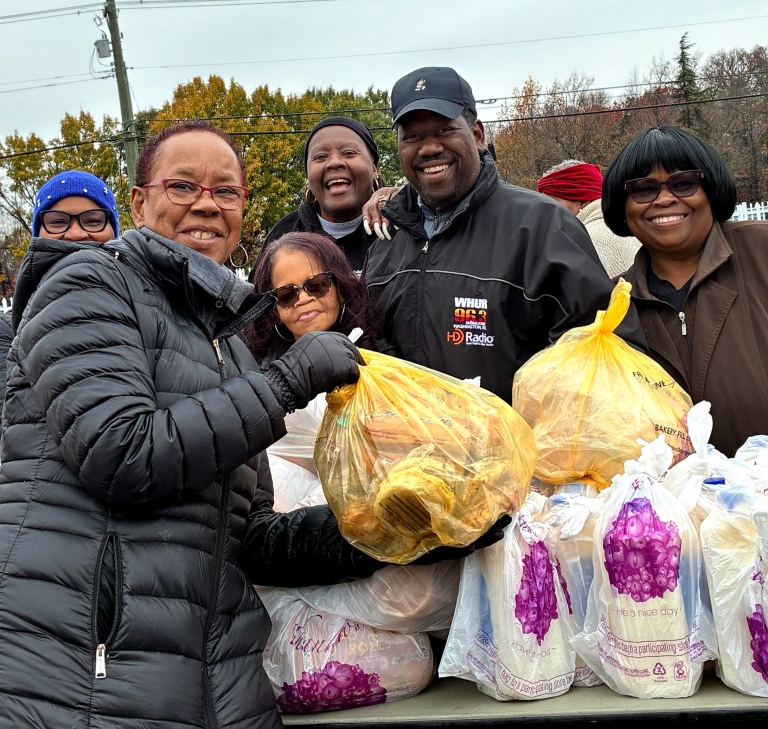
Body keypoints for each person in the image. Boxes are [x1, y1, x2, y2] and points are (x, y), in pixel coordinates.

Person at [0, 119, 507, 727]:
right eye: (183, 186)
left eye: (226, 191)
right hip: (91, 663)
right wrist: (288, 381)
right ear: (139, 202)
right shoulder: (89, 283)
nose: (206, 206)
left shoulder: (228, 345)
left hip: (216, 668)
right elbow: (121, 453)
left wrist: (400, 531)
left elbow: (251, 538)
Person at [362, 66, 647, 404]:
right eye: (412, 137)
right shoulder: (385, 238)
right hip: (407, 452)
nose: (428, 148)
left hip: (518, 452)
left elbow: (606, 352)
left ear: (478, 134)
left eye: (444, 129)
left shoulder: (543, 225)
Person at [602, 124, 768, 457]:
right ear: (623, 206)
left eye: (682, 183)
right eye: (644, 189)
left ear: (710, 189)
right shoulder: (612, 306)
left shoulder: (761, 251)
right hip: (674, 503)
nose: (664, 199)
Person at [0, 169, 120, 407]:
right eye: (57, 222)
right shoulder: (7, 332)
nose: (75, 233)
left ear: (113, 229)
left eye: (93, 220)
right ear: (39, 232)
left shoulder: (149, 305)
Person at [255, 116, 390, 276]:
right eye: (320, 156)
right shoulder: (283, 234)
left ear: (374, 168)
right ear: (308, 176)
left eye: (348, 153)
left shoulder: (403, 223)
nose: (334, 163)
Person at [246, 231, 391, 367]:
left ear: (340, 290)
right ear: (275, 311)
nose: (303, 299)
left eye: (316, 285)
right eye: (287, 295)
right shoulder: (258, 374)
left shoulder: (384, 363)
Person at [536, 159, 640, 277]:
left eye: (553, 202)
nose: (548, 211)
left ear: (580, 200)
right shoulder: (630, 227)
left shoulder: (586, 239)